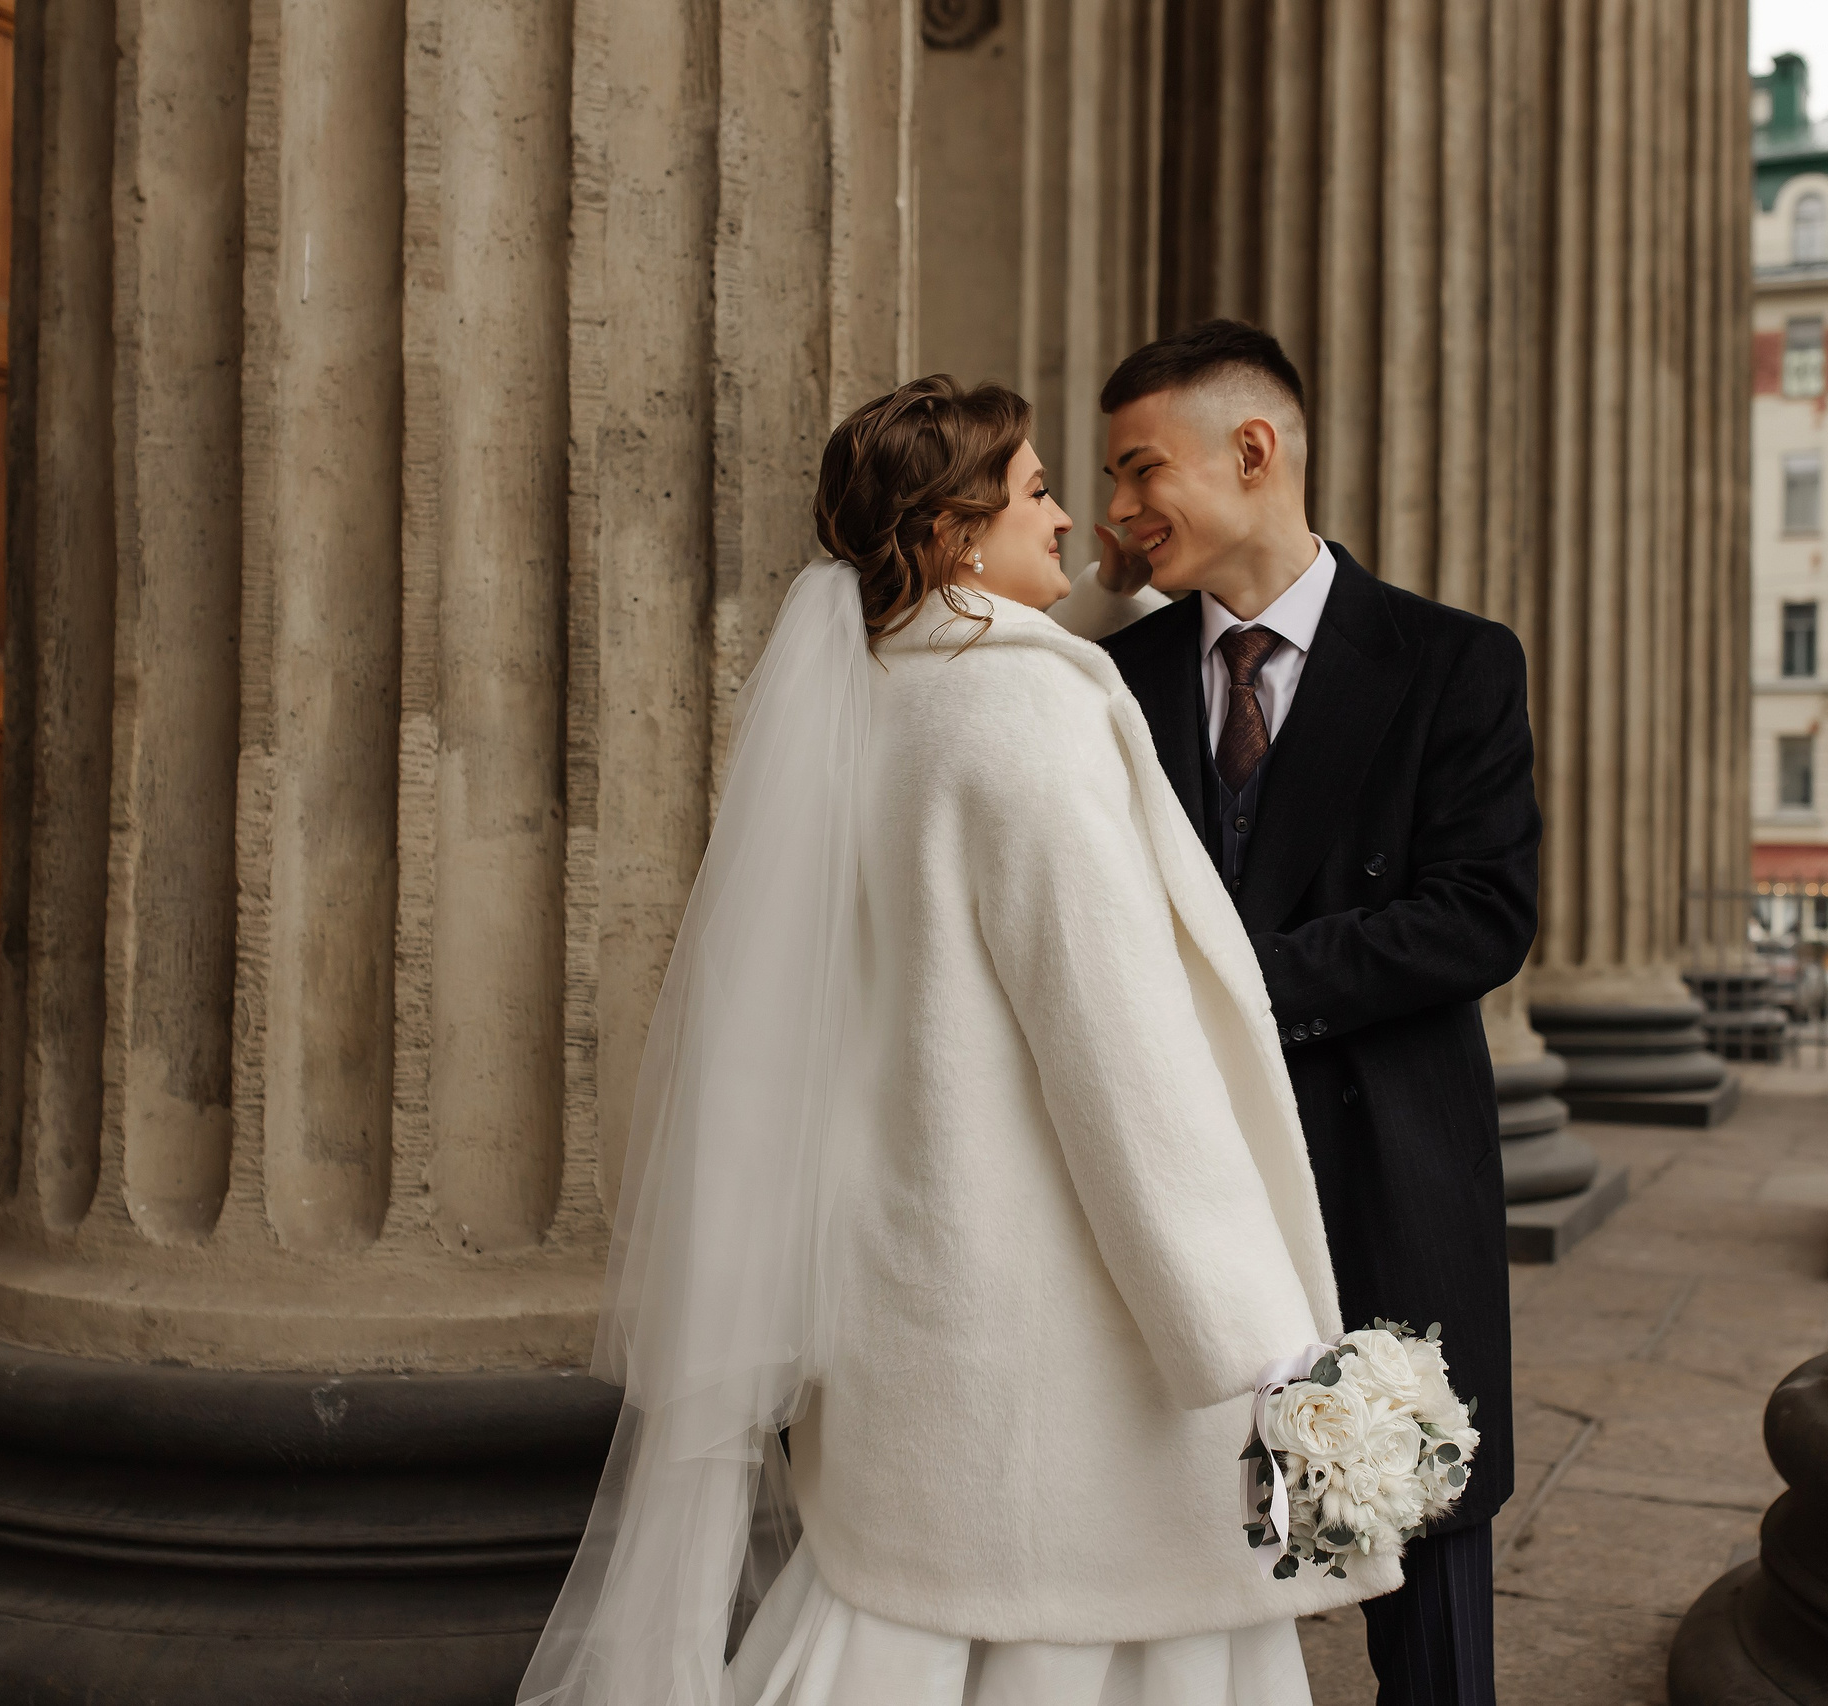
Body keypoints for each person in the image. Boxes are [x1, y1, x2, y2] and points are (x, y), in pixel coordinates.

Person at [519, 376, 1396, 1706]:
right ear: (952, 531)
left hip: (920, 1295)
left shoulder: (873, 706)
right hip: (1069, 1328)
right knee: (1098, 1642)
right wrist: (1252, 1335)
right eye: (1038, 490)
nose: (1070, 518)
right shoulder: (1025, 712)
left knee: (907, 1629)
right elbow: (1117, 1044)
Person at [1055, 320, 1542, 1706]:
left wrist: (1227, 979)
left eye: (1142, 470)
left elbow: (1479, 915)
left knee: (1425, 1550)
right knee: (1166, 1538)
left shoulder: (1454, 662)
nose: (1117, 511)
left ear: (1253, 452)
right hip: (1184, 1184)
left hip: (1387, 1166)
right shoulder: (1112, 681)